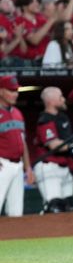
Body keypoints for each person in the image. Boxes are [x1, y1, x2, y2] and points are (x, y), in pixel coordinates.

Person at [32, 87, 73, 213]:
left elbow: (69, 143)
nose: (63, 99)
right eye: (60, 97)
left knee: (68, 206)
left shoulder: (63, 118)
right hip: (48, 166)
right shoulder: (45, 119)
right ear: (51, 101)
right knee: (54, 207)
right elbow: (54, 146)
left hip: (64, 167)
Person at [0, 75, 35, 217]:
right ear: (1, 91)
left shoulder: (17, 113)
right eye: (11, 90)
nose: (15, 94)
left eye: (16, 91)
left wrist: (28, 168)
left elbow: (23, 142)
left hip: (18, 166)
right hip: (2, 164)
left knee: (16, 212)